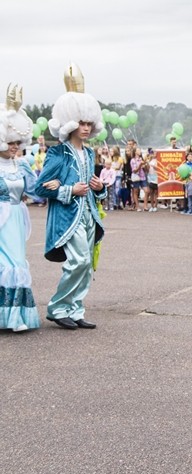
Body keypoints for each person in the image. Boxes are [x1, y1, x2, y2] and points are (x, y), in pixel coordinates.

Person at [34, 63, 107, 330]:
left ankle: (75, 309)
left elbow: (94, 188)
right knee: (79, 260)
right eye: (82, 123)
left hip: (88, 215)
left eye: (89, 124)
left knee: (86, 266)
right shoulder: (58, 153)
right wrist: (68, 190)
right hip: (67, 217)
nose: (86, 128)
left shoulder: (89, 153)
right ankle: (57, 307)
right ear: (71, 123)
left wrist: (99, 188)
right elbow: (39, 188)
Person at [0, 85, 41, 332]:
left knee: (16, 262)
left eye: (18, 141)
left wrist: (59, 186)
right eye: (10, 141)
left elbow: (37, 190)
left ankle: (15, 316)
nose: (15, 146)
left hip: (15, 217)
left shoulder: (23, 165)